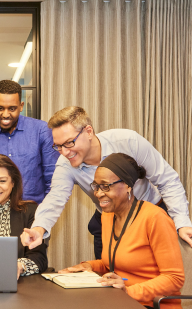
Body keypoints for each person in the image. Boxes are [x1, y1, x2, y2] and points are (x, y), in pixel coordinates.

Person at [21, 106, 192, 258]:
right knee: (107, 282)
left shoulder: (127, 141)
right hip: (111, 222)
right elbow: (55, 198)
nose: (64, 152)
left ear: (88, 131)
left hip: (152, 214)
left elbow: (167, 180)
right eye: (58, 146)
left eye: (69, 143)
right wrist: (38, 228)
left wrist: (182, 222)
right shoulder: (65, 165)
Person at [58, 153, 185, 309]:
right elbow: (113, 263)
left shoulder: (155, 218)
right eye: (96, 186)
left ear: (126, 185)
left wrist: (129, 292)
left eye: (105, 187)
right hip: (121, 304)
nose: (98, 193)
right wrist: (88, 266)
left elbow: (175, 278)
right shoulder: (108, 217)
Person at [0, 80, 59, 204]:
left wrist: (45, 215)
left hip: (33, 213)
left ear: (21, 106)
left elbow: (53, 179)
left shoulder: (41, 131)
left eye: (12, 108)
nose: (5, 114)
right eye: (0, 108)